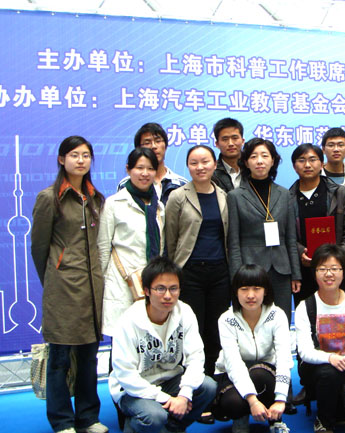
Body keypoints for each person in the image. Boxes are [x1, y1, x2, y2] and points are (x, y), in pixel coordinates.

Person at [31, 136, 107, 433]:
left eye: (86, 155)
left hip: (92, 289)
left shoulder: (96, 198)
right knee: (60, 358)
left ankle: (88, 417)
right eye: (74, 155)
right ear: (62, 159)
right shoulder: (49, 197)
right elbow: (39, 248)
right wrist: (55, 276)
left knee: (88, 357)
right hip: (62, 289)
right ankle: (62, 420)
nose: (81, 160)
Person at [109, 256, 217, 433]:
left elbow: (196, 358)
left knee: (208, 387)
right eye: (160, 289)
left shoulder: (185, 312)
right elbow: (126, 375)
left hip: (169, 380)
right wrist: (166, 399)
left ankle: (172, 428)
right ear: (146, 291)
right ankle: (134, 426)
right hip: (132, 389)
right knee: (155, 416)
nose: (168, 295)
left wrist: (184, 395)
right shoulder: (128, 321)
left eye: (173, 288)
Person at [165, 145, 229, 377]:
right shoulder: (178, 196)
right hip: (189, 272)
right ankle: (192, 381)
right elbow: (170, 239)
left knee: (216, 329)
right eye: (194, 163)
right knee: (193, 330)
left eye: (205, 162)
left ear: (214, 164)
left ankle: (213, 380)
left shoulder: (223, 196)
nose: (200, 167)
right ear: (188, 166)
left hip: (220, 273)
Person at [295, 244, 345, 433]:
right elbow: (304, 351)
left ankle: (338, 403)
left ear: (343, 272)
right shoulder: (305, 307)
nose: (328, 274)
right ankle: (324, 421)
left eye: (334, 269)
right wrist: (329, 357)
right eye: (322, 269)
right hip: (320, 367)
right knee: (328, 374)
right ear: (315, 273)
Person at [227, 137, 301, 323]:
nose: (259, 161)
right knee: (252, 322)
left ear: (273, 160)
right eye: (254, 156)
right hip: (250, 269)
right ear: (246, 162)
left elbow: (290, 238)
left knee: (281, 321)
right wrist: (237, 278)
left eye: (265, 156)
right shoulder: (235, 196)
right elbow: (233, 242)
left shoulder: (284, 194)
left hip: (281, 270)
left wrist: (296, 274)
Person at [214, 264, 293, 433]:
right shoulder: (226, 320)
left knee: (259, 374)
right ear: (236, 292)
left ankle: (275, 420)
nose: (250, 295)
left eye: (257, 289)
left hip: (265, 373)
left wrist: (281, 399)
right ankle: (241, 419)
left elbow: (284, 358)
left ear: (266, 291)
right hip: (231, 374)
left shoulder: (278, 315)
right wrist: (252, 401)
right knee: (233, 402)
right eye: (244, 289)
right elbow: (233, 363)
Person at [98, 147, 165, 338]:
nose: (145, 173)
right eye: (139, 168)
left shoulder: (158, 206)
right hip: (122, 282)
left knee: (149, 339)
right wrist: (102, 282)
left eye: (150, 169)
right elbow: (103, 247)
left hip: (151, 281)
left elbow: (161, 246)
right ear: (128, 169)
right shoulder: (114, 203)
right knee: (122, 338)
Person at [289, 143, 345, 303]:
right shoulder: (287, 198)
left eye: (312, 159)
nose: (307, 165)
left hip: (338, 272)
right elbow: (285, 236)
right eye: (301, 160)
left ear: (322, 164)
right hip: (304, 273)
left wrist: (335, 258)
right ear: (294, 166)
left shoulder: (341, 194)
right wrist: (300, 252)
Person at [117, 122, 187, 205]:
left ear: (165, 146)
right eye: (147, 143)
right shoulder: (126, 184)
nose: (154, 146)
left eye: (158, 141)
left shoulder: (181, 184)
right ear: (139, 149)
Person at [212, 117, 245, 192]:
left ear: (242, 141)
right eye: (225, 139)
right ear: (217, 144)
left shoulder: (252, 168)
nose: (230, 143)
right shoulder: (212, 172)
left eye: (235, 138)